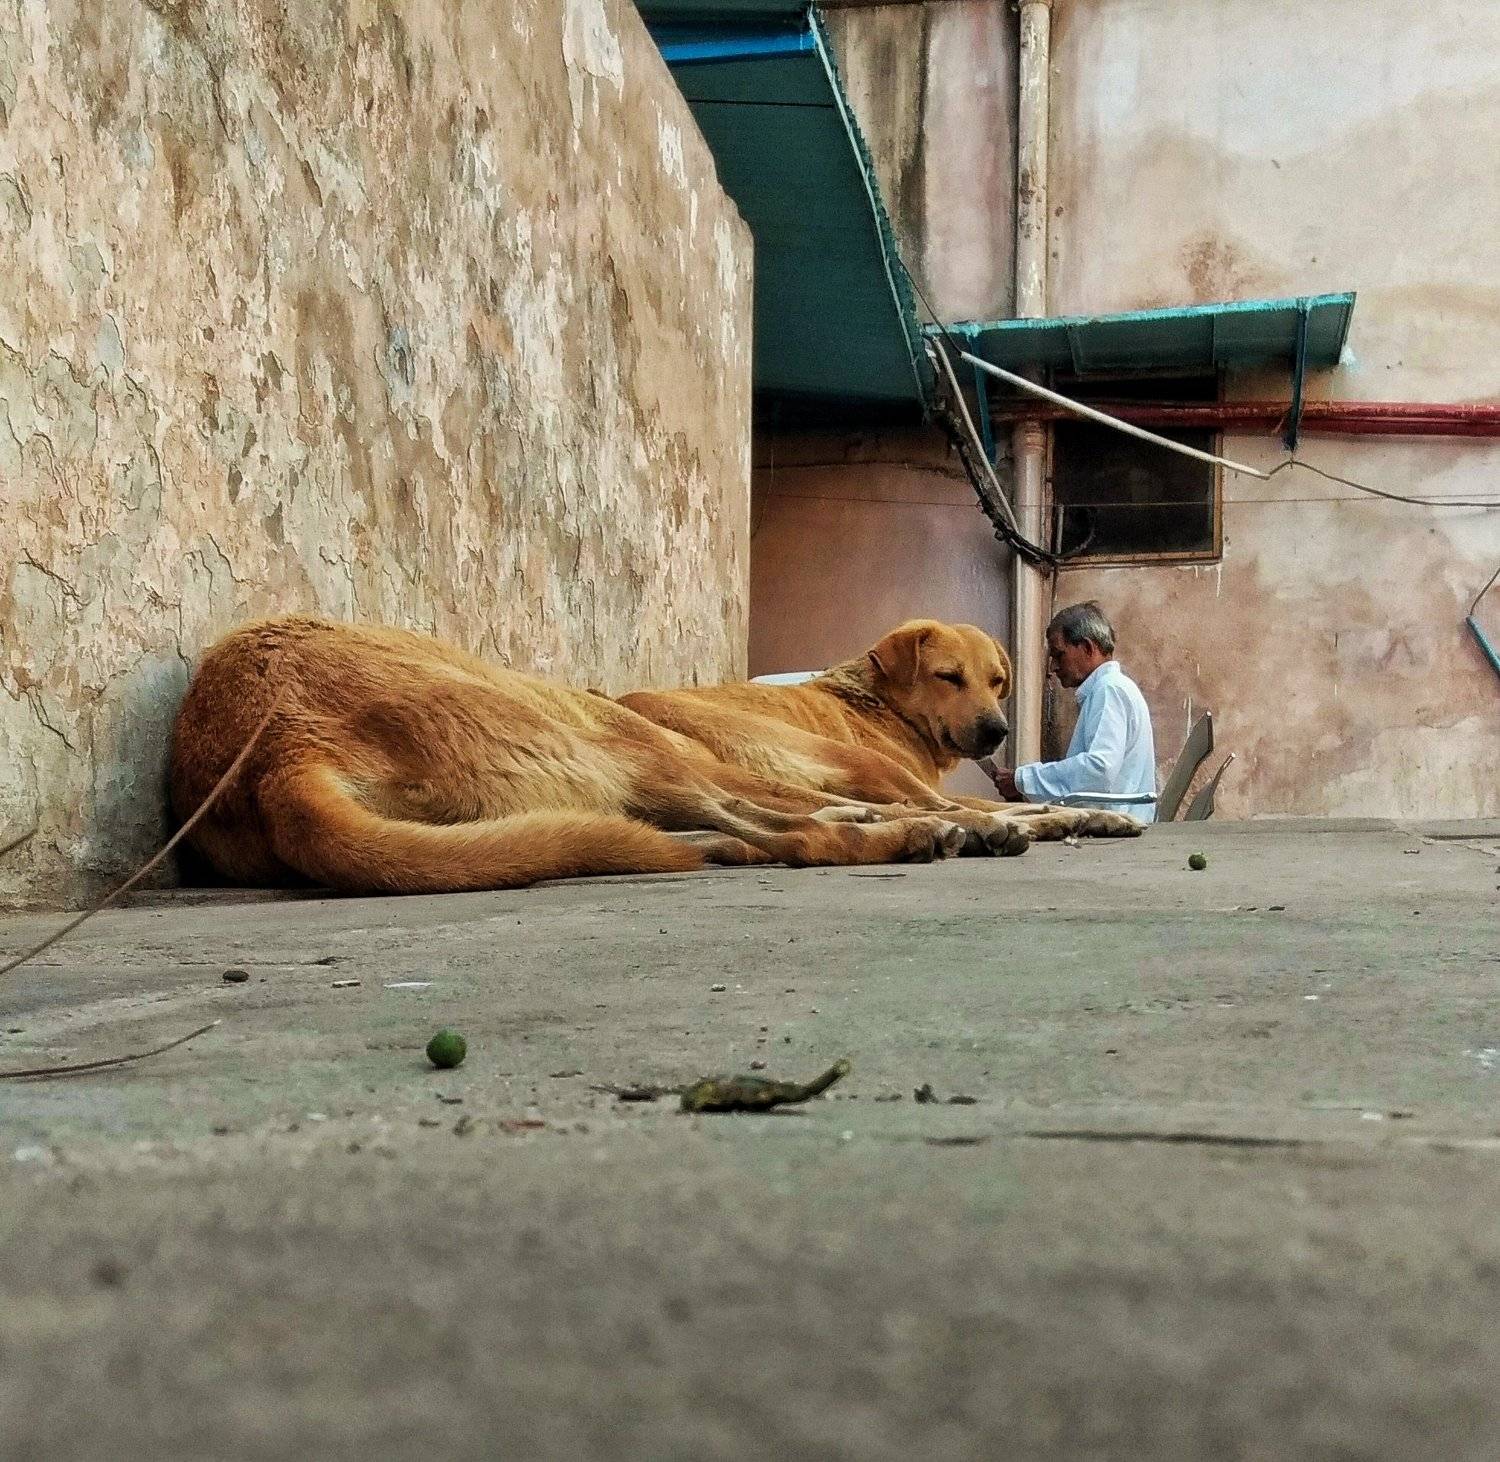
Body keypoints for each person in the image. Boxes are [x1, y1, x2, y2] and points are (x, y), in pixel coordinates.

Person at [982, 601, 1158, 822]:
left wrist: (1023, 780)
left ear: (1088, 648)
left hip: (1117, 827)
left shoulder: (1109, 689)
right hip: (1113, 821)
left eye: (1059, 655)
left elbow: (1100, 769)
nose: (1053, 667)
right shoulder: (1109, 688)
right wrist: (1025, 788)